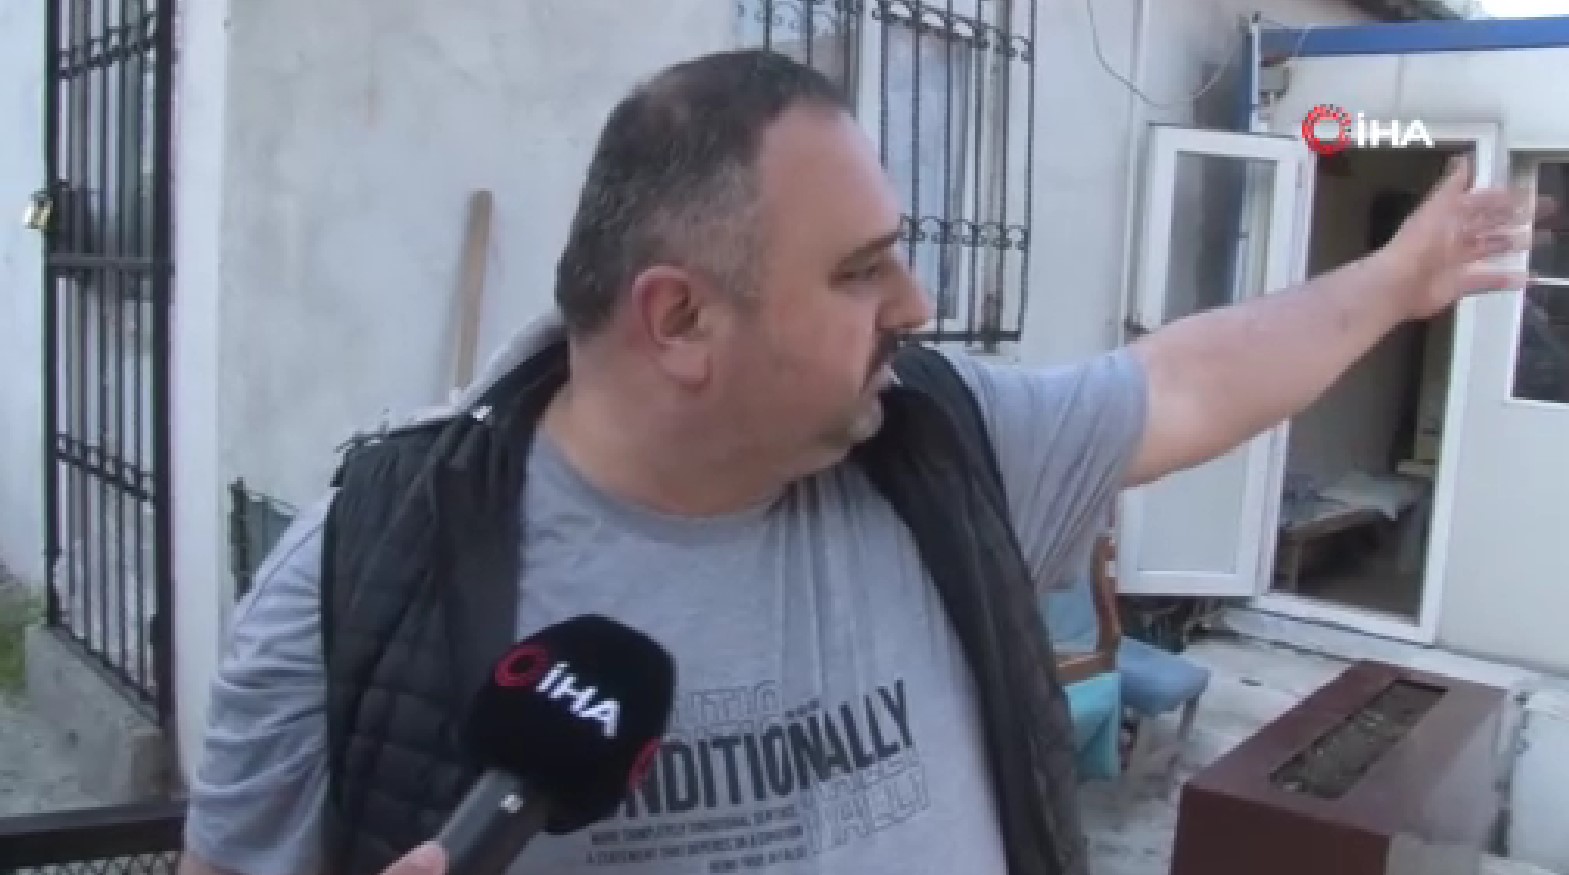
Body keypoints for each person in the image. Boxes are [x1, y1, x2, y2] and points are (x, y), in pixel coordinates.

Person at [178, 49, 1547, 875]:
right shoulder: (362, 574)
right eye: (860, 270)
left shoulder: (936, 445)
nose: (919, 302)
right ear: (681, 320)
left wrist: (1391, 281)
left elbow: (1185, 380)